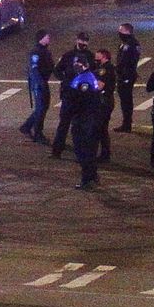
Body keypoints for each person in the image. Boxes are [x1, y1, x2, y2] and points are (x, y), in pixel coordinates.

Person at [51, 32, 94, 157]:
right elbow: (57, 69)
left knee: (79, 127)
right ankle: (57, 150)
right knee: (64, 124)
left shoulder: (90, 56)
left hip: (82, 97)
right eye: (82, 40)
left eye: (86, 41)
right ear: (77, 40)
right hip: (69, 95)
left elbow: (93, 73)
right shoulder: (68, 55)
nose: (84, 43)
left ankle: (79, 153)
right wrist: (66, 81)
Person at [65, 59, 103, 190]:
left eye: (79, 65)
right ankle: (92, 175)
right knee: (89, 150)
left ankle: (87, 179)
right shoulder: (86, 76)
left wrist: (71, 112)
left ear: (85, 65)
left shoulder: (83, 80)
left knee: (82, 150)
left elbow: (80, 101)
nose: (76, 67)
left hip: (84, 120)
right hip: (89, 118)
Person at [19, 30, 55, 144]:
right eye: (47, 37)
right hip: (39, 83)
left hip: (43, 82)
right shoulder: (36, 52)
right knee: (41, 108)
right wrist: (40, 83)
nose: (49, 39)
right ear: (41, 38)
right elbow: (34, 69)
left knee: (43, 107)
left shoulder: (44, 51)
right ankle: (38, 133)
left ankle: (27, 126)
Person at [114, 23, 141, 132]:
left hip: (127, 76)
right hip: (124, 75)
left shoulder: (131, 44)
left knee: (126, 100)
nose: (119, 34)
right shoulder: (127, 43)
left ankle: (127, 124)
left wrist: (121, 71)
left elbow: (128, 61)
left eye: (121, 31)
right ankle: (126, 122)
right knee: (125, 100)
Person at [93, 48, 116, 162]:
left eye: (98, 57)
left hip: (104, 101)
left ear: (104, 57)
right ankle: (104, 154)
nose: (96, 59)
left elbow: (100, 85)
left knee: (101, 128)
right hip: (106, 100)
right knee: (102, 128)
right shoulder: (105, 68)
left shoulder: (105, 69)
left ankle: (104, 155)